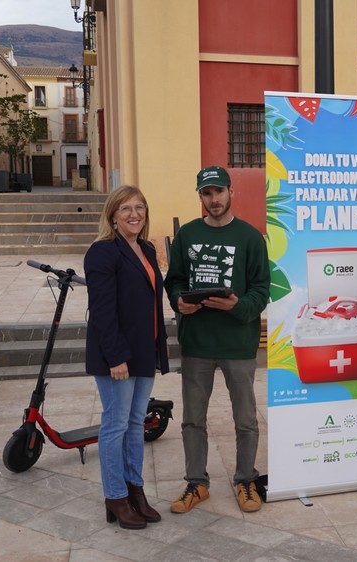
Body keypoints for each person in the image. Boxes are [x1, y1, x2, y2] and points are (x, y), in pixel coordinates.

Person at [165, 165, 271, 514]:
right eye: (206, 194)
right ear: (200, 197)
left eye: (219, 192)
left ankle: (245, 480)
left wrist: (238, 305)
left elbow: (261, 290)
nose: (214, 199)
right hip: (197, 343)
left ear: (230, 193)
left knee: (246, 419)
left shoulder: (250, 237)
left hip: (238, 343)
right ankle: (196, 483)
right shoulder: (187, 235)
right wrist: (179, 300)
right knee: (193, 419)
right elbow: (175, 279)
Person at [84, 185, 170, 529]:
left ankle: (136, 490)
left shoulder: (147, 249)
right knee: (115, 424)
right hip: (117, 355)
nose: (135, 214)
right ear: (112, 216)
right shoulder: (102, 253)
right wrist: (116, 356)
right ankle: (115, 496)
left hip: (143, 350)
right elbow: (102, 312)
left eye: (140, 207)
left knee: (136, 424)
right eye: (126, 209)